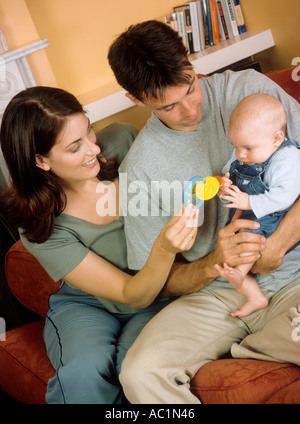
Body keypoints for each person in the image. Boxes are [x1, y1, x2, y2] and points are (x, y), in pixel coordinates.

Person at [107, 20, 300, 403]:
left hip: (292, 268)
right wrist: (216, 259)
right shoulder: (139, 169)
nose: (191, 108)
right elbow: (161, 281)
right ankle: (264, 337)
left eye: (191, 87)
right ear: (135, 99)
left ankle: (257, 342)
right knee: (139, 373)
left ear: (192, 65)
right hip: (216, 294)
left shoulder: (249, 90)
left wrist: (277, 244)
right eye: (169, 105)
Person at [0, 86, 199, 404]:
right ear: (40, 160)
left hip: (159, 293)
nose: (93, 149)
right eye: (75, 147)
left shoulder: (124, 140)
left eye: (88, 130)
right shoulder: (39, 223)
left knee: (134, 369)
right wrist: (164, 248)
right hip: (88, 304)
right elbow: (129, 293)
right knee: (82, 373)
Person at [215, 93, 300, 318]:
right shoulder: (243, 154)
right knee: (235, 247)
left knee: (244, 251)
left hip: (272, 217)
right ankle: (254, 296)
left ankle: (240, 275)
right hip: (246, 215)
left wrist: (249, 201)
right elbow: (231, 187)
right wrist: (224, 191)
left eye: (248, 149)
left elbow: (285, 196)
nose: (240, 155)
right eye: (235, 146)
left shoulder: (287, 159)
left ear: (276, 138)